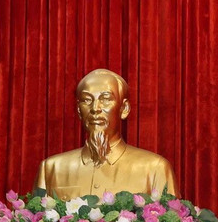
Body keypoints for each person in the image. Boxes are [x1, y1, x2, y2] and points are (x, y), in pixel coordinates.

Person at [34, 68, 179, 200]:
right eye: (87, 100)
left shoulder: (154, 168)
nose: (95, 108)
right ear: (79, 110)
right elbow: (34, 221)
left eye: (106, 99)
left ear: (124, 109)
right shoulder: (51, 168)